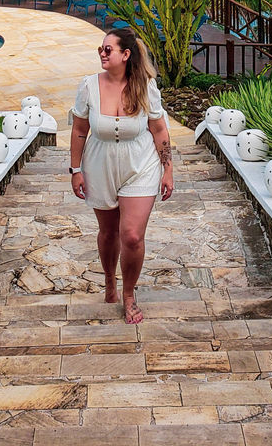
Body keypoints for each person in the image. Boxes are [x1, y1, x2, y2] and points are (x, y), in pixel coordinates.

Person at [69, 26, 173, 324]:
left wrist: (168, 170)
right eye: (101, 49)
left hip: (140, 164)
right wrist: (76, 171)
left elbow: (159, 129)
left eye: (108, 49)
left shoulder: (145, 86)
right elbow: (79, 130)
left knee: (131, 235)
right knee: (109, 232)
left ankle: (128, 294)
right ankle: (109, 279)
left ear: (126, 55)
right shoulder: (89, 86)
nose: (102, 53)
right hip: (99, 164)